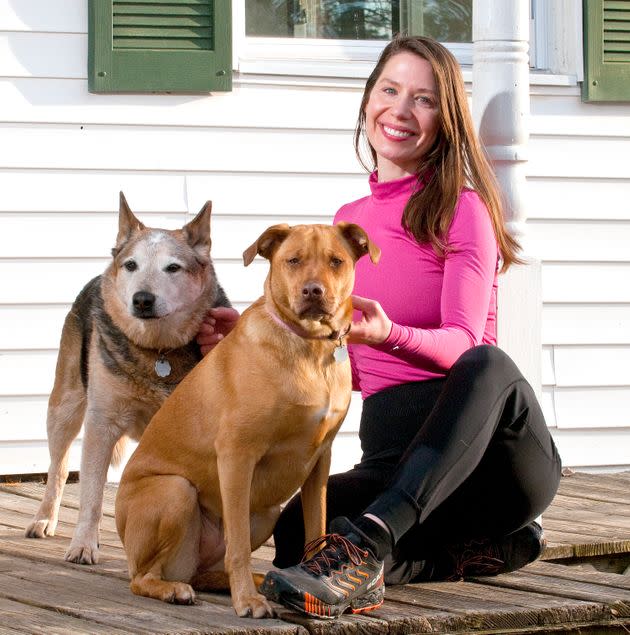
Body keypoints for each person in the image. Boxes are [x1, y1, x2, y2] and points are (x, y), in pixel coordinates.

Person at [198, 34, 562, 620]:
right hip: (397, 460)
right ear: (368, 100)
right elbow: (342, 358)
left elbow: (466, 344)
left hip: (489, 460)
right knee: (296, 537)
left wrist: (390, 333)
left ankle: (369, 544)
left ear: (444, 121)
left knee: (487, 362)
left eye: (422, 99)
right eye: (389, 90)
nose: (400, 109)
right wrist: (255, 338)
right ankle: (457, 556)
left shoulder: (463, 207)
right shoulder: (348, 222)